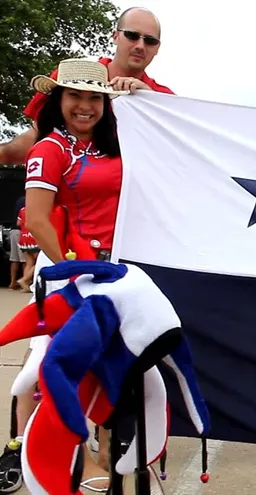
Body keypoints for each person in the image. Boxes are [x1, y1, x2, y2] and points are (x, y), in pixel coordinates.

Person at [5, 58, 129, 493]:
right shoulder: (49, 149)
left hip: (115, 271)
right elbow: (38, 220)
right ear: (58, 100)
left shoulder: (115, 144)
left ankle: (99, 452)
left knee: (108, 360)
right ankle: (22, 446)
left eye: (94, 97)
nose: (85, 106)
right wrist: (74, 270)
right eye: (75, 95)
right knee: (44, 363)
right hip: (66, 268)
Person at [0, 6, 171, 166]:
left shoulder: (166, 100)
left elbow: (175, 156)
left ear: (158, 48)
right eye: (132, 35)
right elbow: (36, 137)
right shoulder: (68, 79)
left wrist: (149, 101)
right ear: (115, 36)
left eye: (150, 41)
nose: (140, 46)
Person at [6, 197, 24, 291]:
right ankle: (25, 282)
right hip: (22, 232)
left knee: (14, 259)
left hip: (13, 231)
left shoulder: (19, 200)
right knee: (25, 260)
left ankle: (12, 282)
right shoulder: (27, 201)